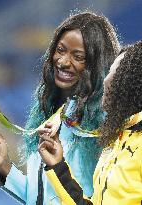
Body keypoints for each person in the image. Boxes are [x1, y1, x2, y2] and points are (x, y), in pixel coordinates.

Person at [0, 11, 120, 205]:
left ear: (97, 64)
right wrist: (4, 165)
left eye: (78, 56)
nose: (63, 62)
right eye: (60, 50)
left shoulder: (105, 127)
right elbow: (40, 197)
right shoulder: (50, 115)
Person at [38, 41, 142, 205]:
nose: (106, 80)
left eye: (115, 73)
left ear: (133, 84)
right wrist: (58, 167)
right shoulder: (117, 140)